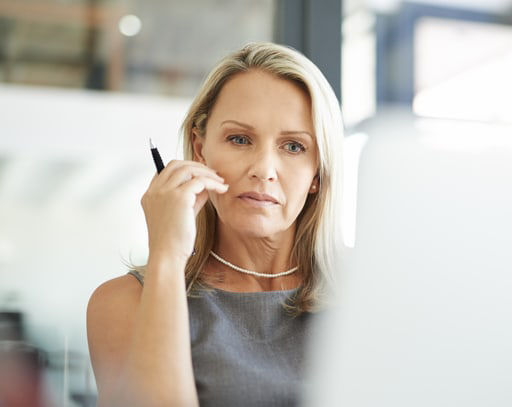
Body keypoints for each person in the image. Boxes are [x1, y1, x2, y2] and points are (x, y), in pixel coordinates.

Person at [86, 42, 344, 406]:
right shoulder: (124, 302)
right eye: (240, 139)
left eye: (294, 147)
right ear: (200, 150)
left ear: (318, 173)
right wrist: (167, 256)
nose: (263, 170)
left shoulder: (371, 293)